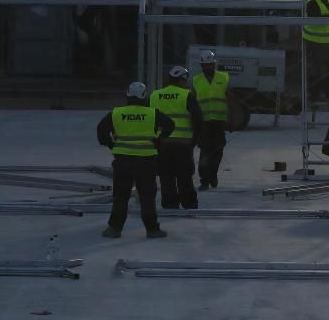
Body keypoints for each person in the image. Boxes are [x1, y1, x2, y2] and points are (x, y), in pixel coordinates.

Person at [97, 81, 173, 238]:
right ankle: (152, 230)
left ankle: (114, 228)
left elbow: (101, 130)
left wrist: (112, 144)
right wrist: (159, 141)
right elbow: (170, 125)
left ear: (128, 95)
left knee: (120, 196)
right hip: (146, 162)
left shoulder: (116, 113)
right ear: (144, 96)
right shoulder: (152, 113)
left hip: (122, 162)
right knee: (147, 197)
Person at [149, 66, 202, 209]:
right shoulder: (186, 95)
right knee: (184, 176)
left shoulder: (155, 95)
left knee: (166, 175)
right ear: (181, 80)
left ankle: (169, 203)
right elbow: (198, 118)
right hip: (183, 143)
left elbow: (150, 119)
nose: (186, 84)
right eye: (185, 81)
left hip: (162, 143)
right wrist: (197, 138)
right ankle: (189, 203)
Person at [193, 49, 232, 191]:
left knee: (218, 150)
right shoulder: (196, 81)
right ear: (202, 66)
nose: (209, 67)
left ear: (214, 64)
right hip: (204, 123)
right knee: (205, 150)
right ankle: (204, 180)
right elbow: (193, 104)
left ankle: (212, 174)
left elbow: (230, 100)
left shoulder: (224, 78)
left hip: (219, 121)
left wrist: (231, 119)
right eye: (206, 65)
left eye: (211, 64)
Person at [302, 0, 329, 103]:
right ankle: (316, 94)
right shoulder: (313, 1)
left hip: (324, 41)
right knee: (317, 69)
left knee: (324, 67)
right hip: (313, 40)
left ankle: (325, 92)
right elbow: (315, 17)